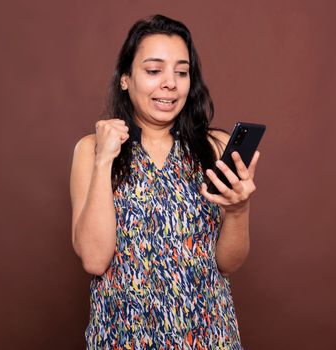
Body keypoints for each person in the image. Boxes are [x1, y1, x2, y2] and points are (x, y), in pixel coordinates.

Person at [70, 14, 259, 349]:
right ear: (126, 78)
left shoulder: (214, 147)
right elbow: (95, 260)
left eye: (182, 72)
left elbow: (227, 264)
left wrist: (239, 209)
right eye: (154, 70)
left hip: (208, 337)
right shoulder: (91, 150)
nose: (170, 83)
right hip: (122, 339)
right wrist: (104, 161)